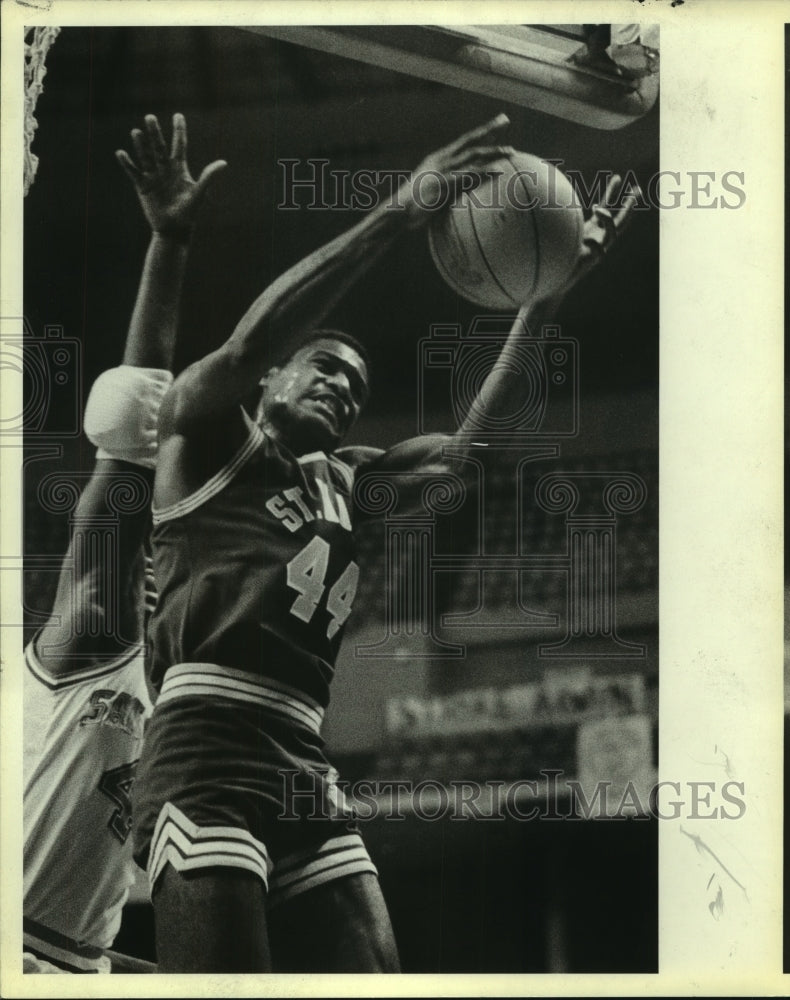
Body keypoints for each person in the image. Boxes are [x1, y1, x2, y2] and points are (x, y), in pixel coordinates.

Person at [130, 111, 636, 973]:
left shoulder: (351, 481)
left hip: (300, 753)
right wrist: (403, 210)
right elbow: (251, 340)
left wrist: (551, 287)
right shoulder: (211, 437)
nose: (344, 389)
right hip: (204, 744)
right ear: (276, 381)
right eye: (325, 367)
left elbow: (467, 457)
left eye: (358, 386)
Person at [22, 113, 225, 974]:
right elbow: (131, 425)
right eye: (153, 558)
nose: (161, 575)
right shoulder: (98, 635)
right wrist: (170, 242)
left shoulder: (180, 693)